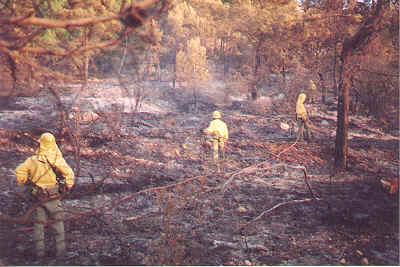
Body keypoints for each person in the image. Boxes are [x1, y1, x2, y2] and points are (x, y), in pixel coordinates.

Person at [15, 132, 74, 259]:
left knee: (38, 225)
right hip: (53, 196)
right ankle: (60, 253)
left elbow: (19, 171)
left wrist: (24, 180)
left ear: (41, 144)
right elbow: (69, 174)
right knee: (58, 224)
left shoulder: (32, 160)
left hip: (37, 196)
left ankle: (39, 254)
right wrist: (67, 187)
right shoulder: (57, 159)